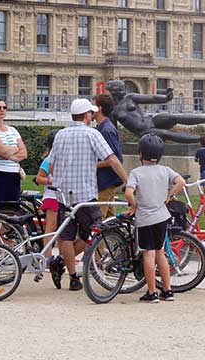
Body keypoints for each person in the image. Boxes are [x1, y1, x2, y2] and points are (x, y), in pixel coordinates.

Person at [48, 98, 129, 291]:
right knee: (94, 231)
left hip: (63, 194)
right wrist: (128, 180)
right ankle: (63, 264)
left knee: (65, 236)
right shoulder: (92, 134)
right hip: (85, 194)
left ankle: (72, 276)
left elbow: (51, 164)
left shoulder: (60, 135)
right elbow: (112, 160)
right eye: (90, 113)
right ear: (87, 115)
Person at [125, 134, 185, 303]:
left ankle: (151, 292)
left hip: (145, 218)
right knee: (161, 253)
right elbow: (180, 181)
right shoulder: (165, 170)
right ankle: (168, 290)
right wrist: (169, 195)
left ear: (140, 154)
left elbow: (129, 192)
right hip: (162, 217)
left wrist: (134, 204)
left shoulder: (136, 172)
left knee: (148, 255)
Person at [93, 93, 124, 218]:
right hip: (106, 181)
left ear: (99, 108)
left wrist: (92, 165)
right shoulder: (103, 127)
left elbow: (115, 158)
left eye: (92, 105)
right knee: (109, 220)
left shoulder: (107, 130)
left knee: (97, 220)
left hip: (106, 182)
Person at [33, 131, 60, 262]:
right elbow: (39, 178)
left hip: (62, 196)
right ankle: (47, 256)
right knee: (51, 226)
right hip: (51, 196)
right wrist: (50, 181)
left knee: (62, 227)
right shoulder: (48, 160)